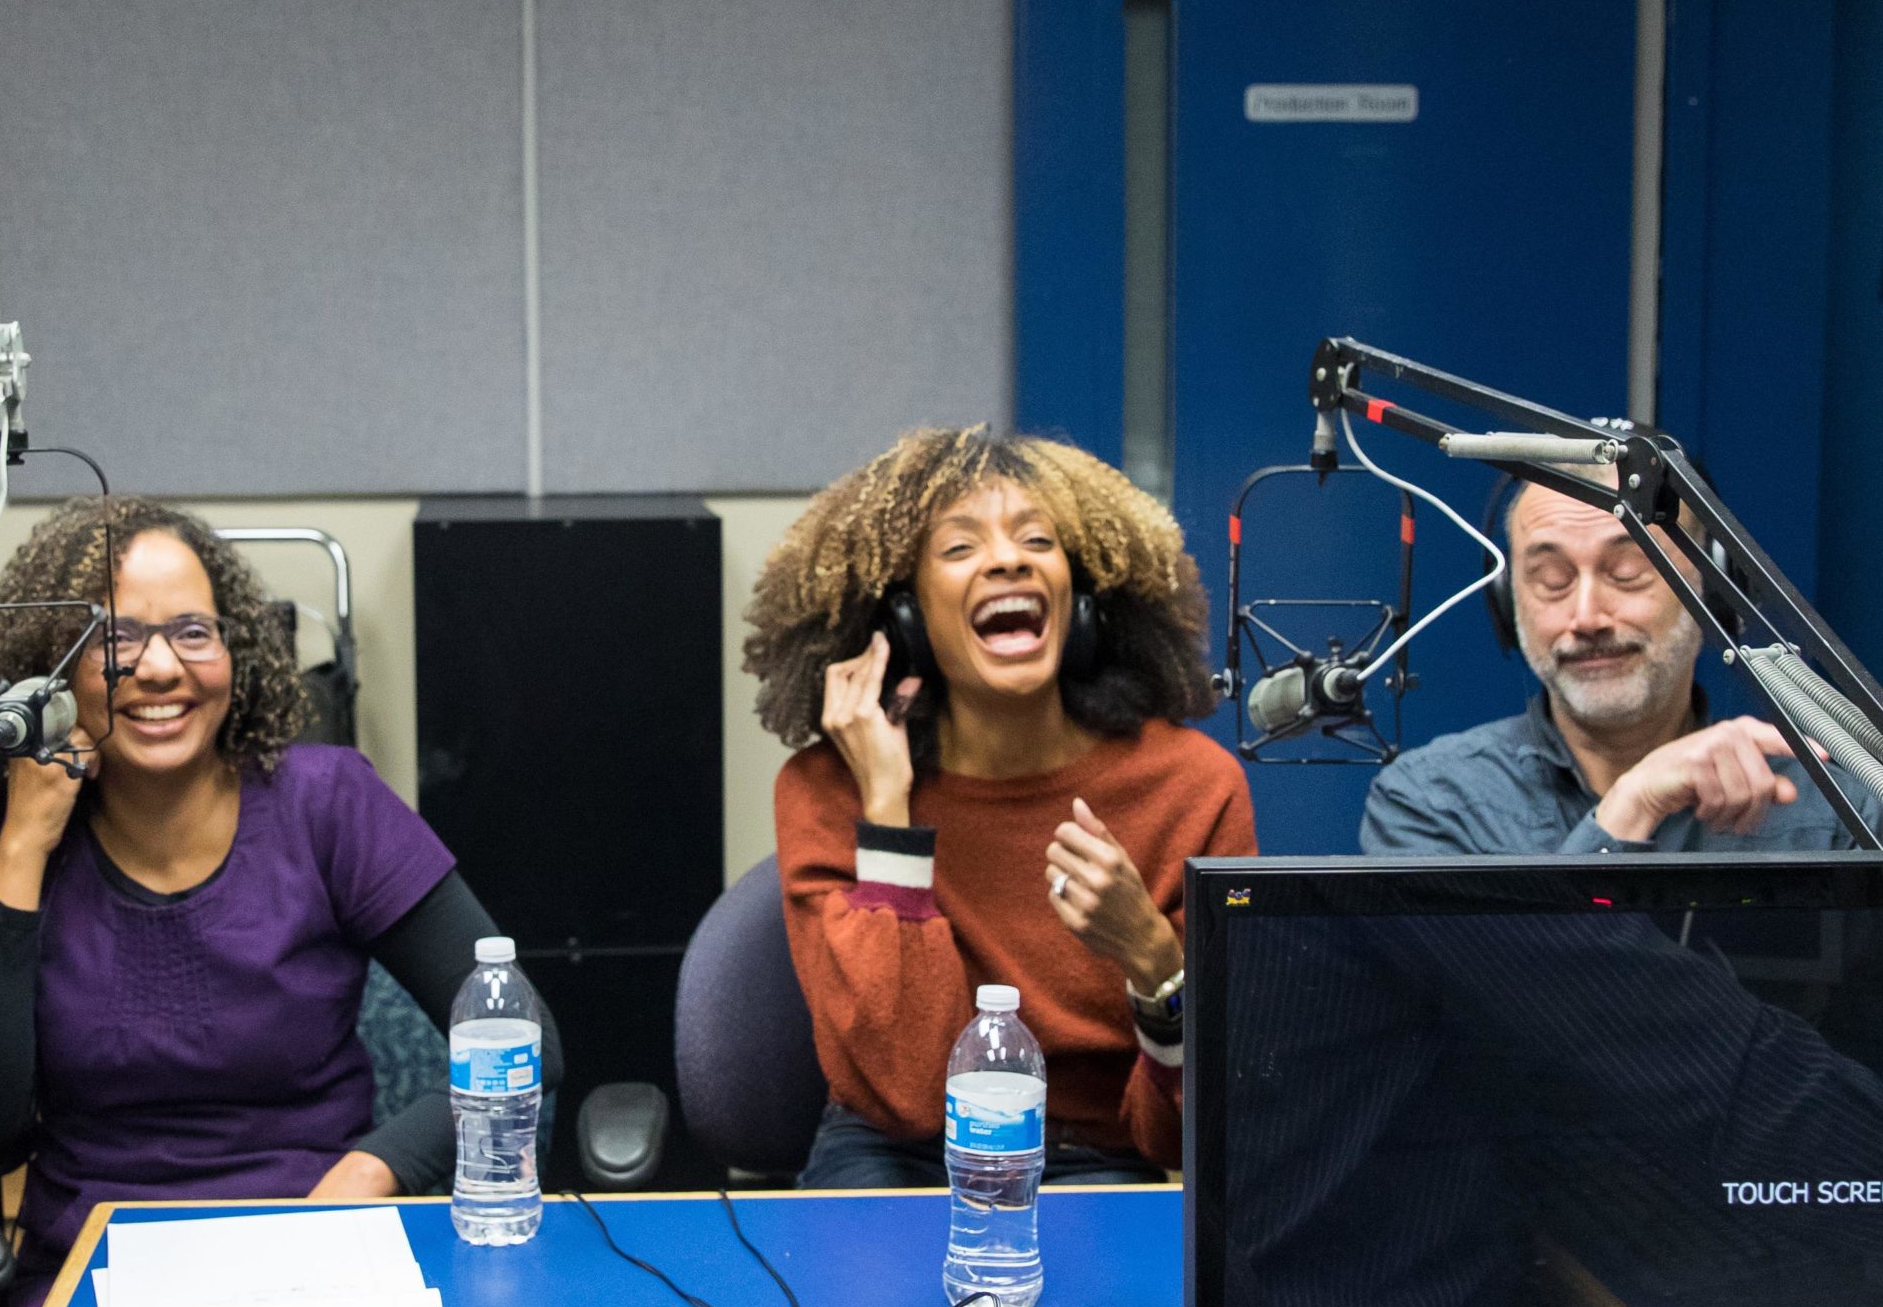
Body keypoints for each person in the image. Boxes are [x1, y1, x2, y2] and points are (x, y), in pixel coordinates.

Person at [0, 497, 557, 1307]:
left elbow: (529, 1041)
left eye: (192, 633)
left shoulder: (329, 802)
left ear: (235, 654)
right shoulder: (14, 827)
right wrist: (23, 843)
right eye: (119, 641)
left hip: (323, 1247)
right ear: (54, 673)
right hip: (95, 1271)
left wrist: (373, 1171)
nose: (161, 667)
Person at [744, 425, 1255, 1185]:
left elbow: (1187, 1133)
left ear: (1081, 601)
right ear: (905, 623)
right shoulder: (831, 791)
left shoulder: (1190, 787)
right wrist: (889, 817)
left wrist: (1152, 959)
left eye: (1037, 541)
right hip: (895, 1152)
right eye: (959, 549)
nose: (1009, 559)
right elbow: (908, 1093)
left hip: (1091, 1155)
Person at [1362, 476, 1883, 853]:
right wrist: (1632, 805)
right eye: (1551, 580)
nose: (1587, 617)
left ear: (1715, 592)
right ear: (1507, 601)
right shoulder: (1431, 802)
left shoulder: (1839, 807)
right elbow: (1511, 1000)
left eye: (1629, 570)